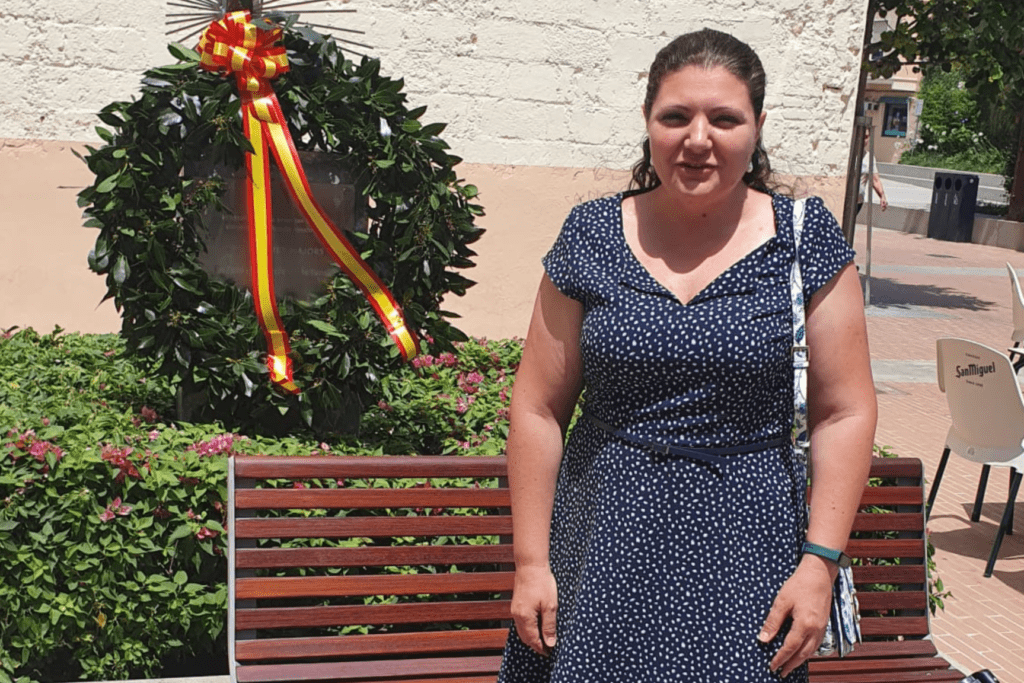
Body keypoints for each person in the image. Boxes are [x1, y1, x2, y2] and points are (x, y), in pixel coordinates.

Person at [498, 28, 877, 683]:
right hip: (601, 537)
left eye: (724, 118)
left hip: (747, 548)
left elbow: (844, 412)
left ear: (757, 128)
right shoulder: (591, 234)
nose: (698, 138)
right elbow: (537, 408)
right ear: (648, 122)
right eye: (676, 116)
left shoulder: (804, 239)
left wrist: (820, 562)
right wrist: (532, 563)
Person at [859, 128, 888, 215]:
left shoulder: (869, 157)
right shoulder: (847, 154)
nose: (864, 140)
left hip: (858, 202)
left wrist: (882, 196)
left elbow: (875, 180)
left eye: (866, 137)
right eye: (862, 136)